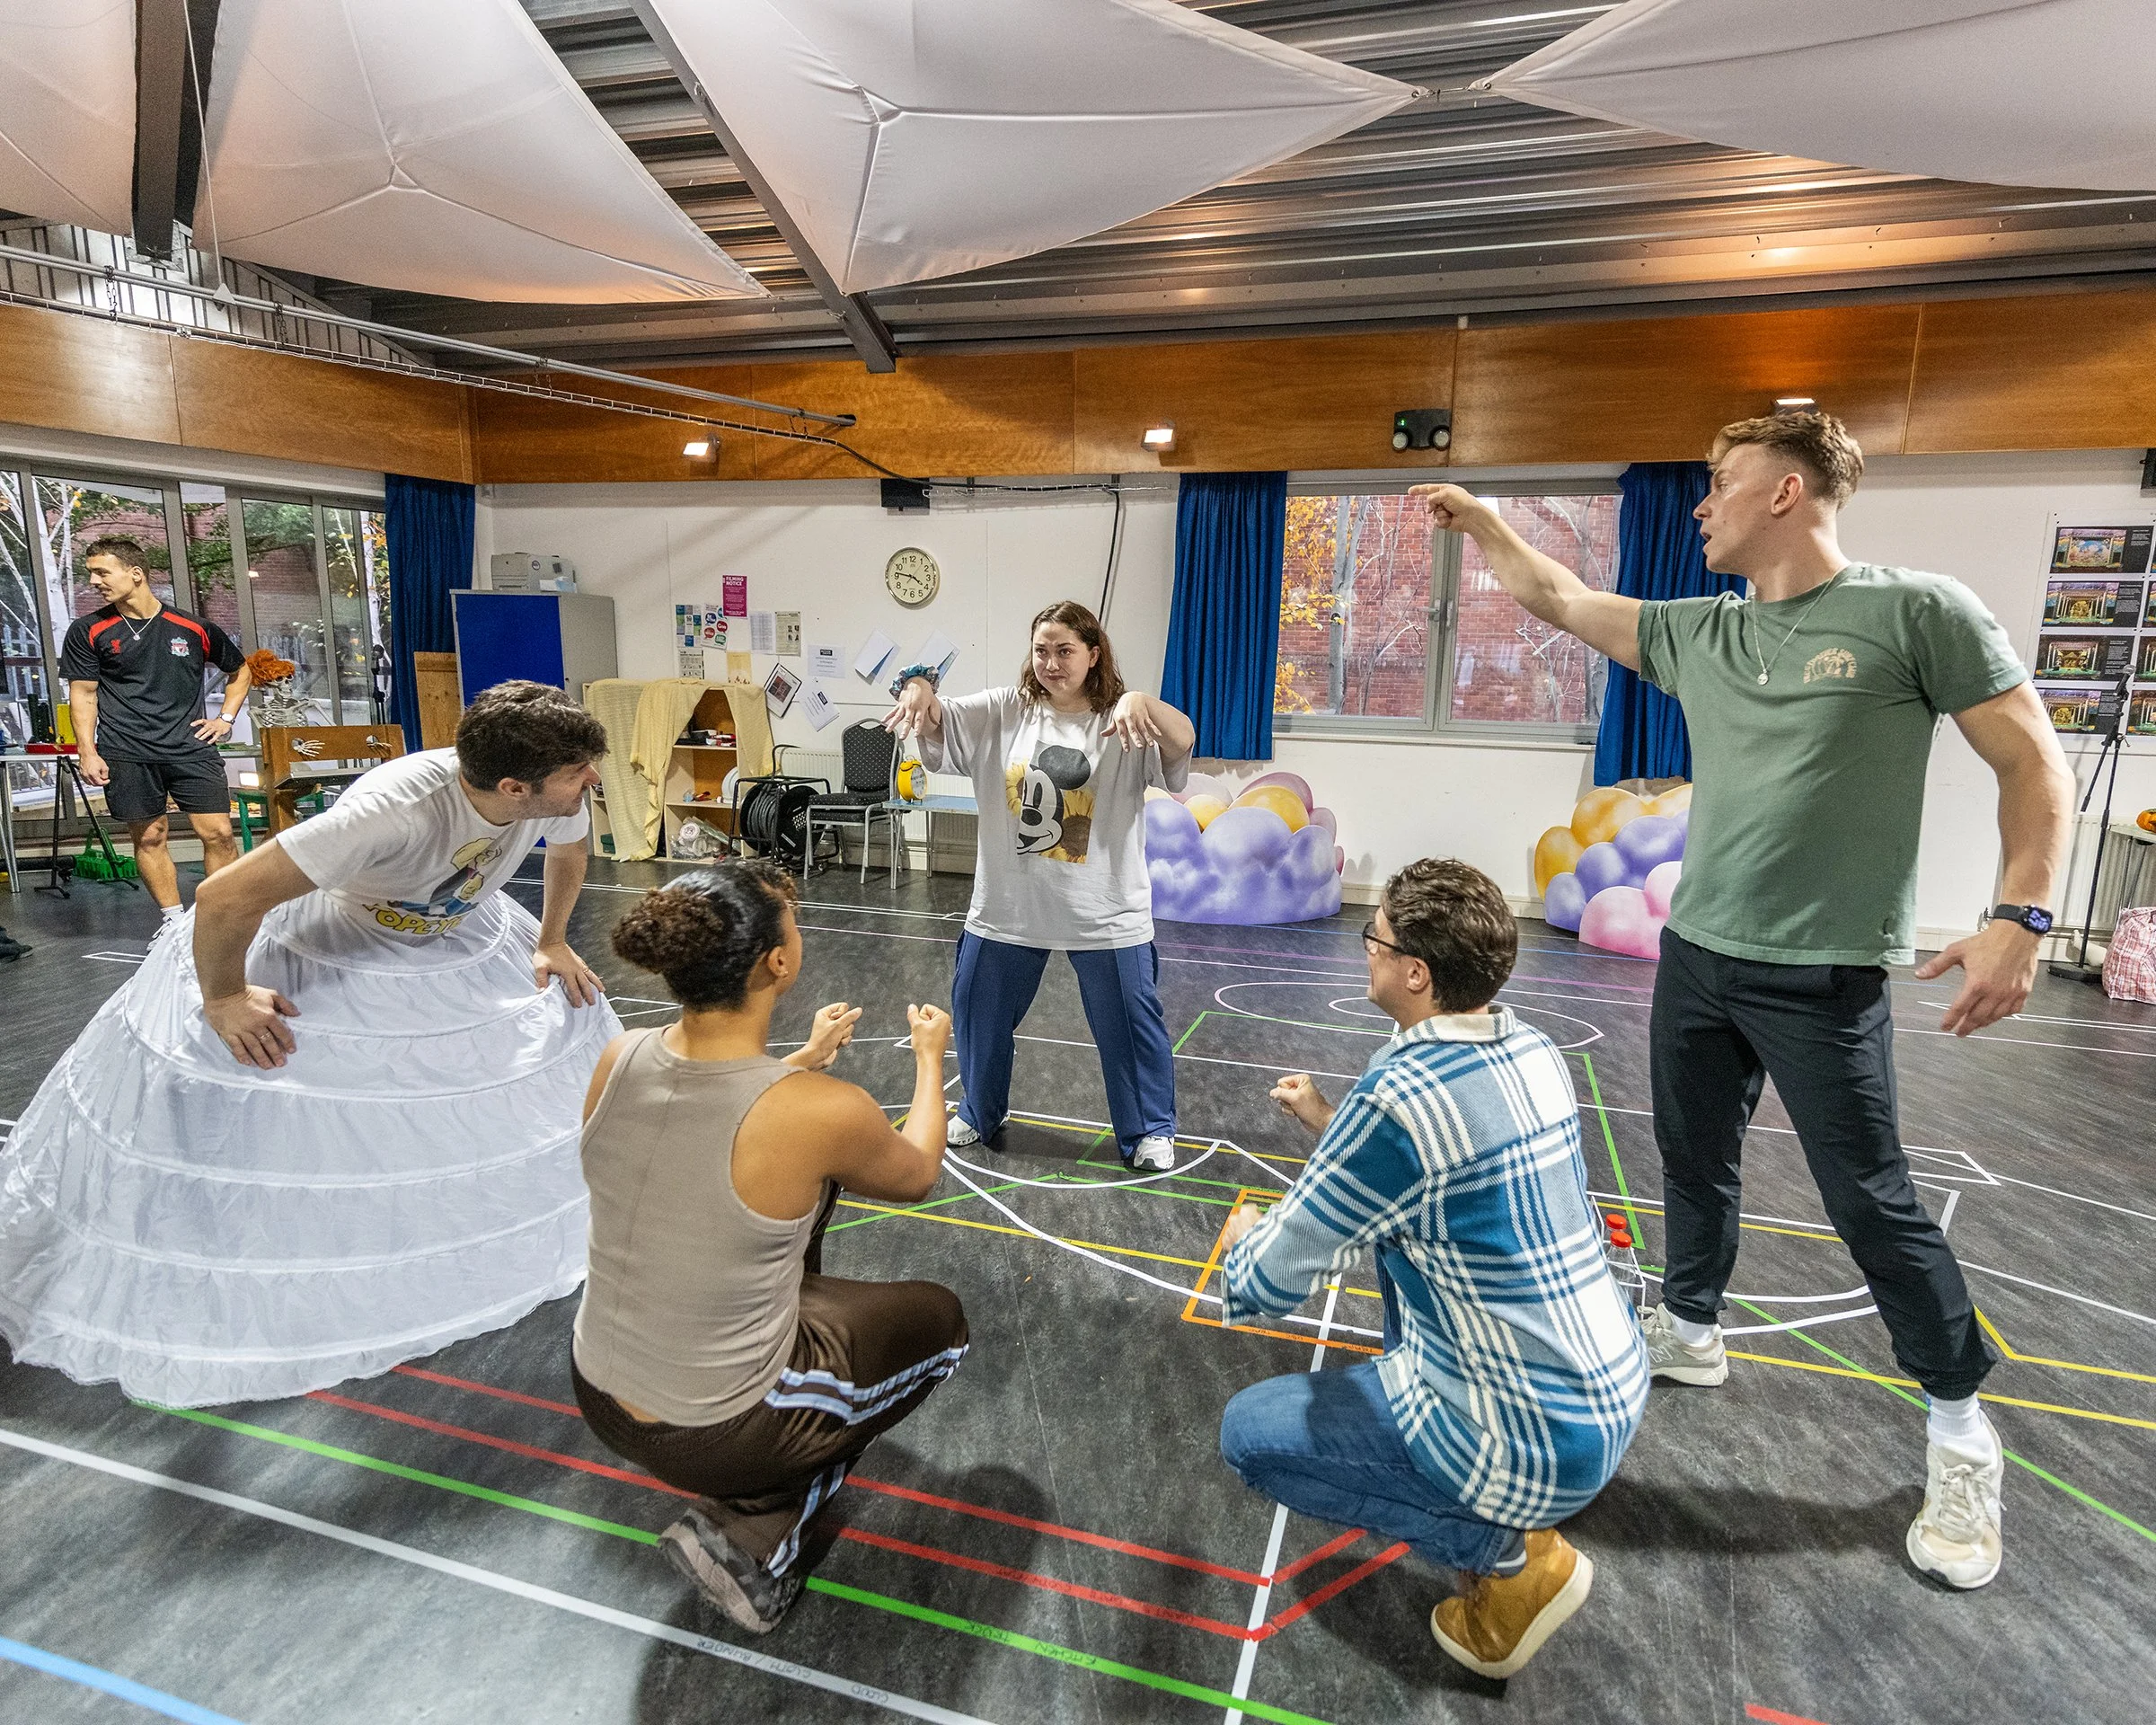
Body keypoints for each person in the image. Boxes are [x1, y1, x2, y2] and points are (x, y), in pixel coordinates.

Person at [1414, 411, 2073, 1591]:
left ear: (1787, 490)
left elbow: (2032, 759)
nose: (1700, 503)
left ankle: (1962, 1431)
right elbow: (1560, 597)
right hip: (1698, 957)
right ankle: (1692, 1327)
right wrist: (1484, 524)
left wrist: (2020, 918)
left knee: (1871, 1201)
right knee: (1692, 1157)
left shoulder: (1916, 612)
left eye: (1720, 481)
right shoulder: (1699, 632)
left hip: (1824, 975)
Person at [0, 680, 622, 1406]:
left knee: (479, 1077)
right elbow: (224, 896)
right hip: (336, 939)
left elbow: (569, 852)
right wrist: (224, 998)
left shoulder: (555, 792)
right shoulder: (392, 811)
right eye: (578, 773)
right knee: (307, 1111)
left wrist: (552, 940)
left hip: (450, 930)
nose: (593, 781)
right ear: (514, 788)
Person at [1215, 859, 1648, 1679]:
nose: (1366, 950)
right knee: (1399, 1248)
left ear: (1415, 973)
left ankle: (1511, 1554)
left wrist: (1245, 1241)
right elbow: (1426, 1181)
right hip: (1605, 1389)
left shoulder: (1400, 1092)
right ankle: (1495, 1504)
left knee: (1250, 1436)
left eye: (1374, 939)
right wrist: (1327, 1121)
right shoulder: (1533, 1047)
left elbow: (1275, 1275)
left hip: (1535, 1434)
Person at [571, 862, 967, 1635]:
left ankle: (758, 1476)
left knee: (778, 1206)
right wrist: (930, 1058)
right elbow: (918, 1171)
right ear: (777, 962)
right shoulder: (818, 1113)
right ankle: (758, 1532)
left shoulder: (622, 1057)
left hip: (595, 1386)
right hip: (715, 1430)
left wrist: (801, 1060)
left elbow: (709, 1114)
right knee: (943, 1325)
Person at [884, 601, 1196, 1171]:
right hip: (1008, 907)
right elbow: (937, 717)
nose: (1051, 663)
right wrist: (918, 686)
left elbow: (1183, 738)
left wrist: (1144, 702)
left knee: (1131, 1026)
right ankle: (979, 1110)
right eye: (1041, 650)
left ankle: (1150, 1129)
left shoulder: (1123, 720)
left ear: (1094, 654)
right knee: (977, 1012)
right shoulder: (1005, 710)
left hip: (1105, 912)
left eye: (1065, 651)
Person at [61, 536, 251, 924]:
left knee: (219, 834)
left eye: (102, 572)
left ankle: (221, 921)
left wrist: (226, 719)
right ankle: (172, 923)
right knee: (150, 837)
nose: (94, 581)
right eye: (91, 573)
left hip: (190, 747)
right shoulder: (87, 630)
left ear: (135, 574)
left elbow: (241, 670)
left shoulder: (192, 627)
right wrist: (87, 751)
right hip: (126, 749)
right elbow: (83, 694)